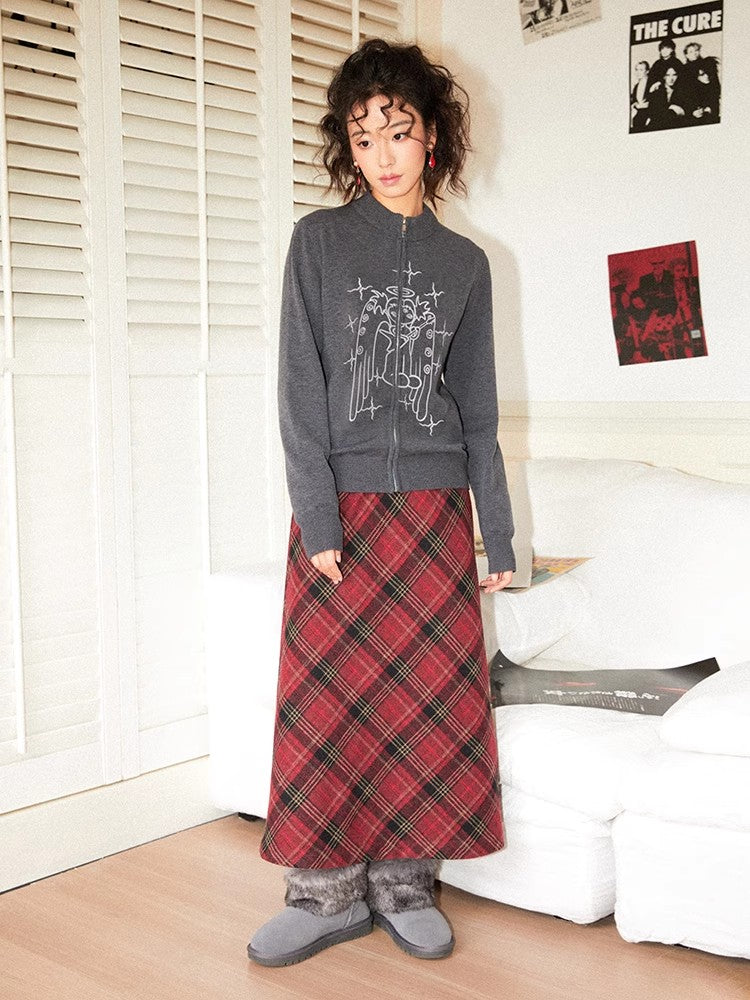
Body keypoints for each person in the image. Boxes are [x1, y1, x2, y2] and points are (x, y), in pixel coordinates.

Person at [246, 38, 516, 968]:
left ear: (432, 137)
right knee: (326, 709)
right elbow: (298, 392)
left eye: (398, 132)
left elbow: (478, 411)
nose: (383, 154)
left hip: (435, 517)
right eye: (363, 139)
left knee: (424, 708)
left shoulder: (466, 264)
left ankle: (406, 885)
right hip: (344, 514)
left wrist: (497, 532)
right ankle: (323, 897)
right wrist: (317, 517)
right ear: (348, 150)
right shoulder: (319, 243)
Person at [630, 60, 651, 132]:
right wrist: (635, 103)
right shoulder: (636, 86)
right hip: (638, 114)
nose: (638, 72)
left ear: (647, 71)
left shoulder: (652, 84)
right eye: (637, 70)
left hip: (649, 115)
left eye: (641, 70)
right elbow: (635, 100)